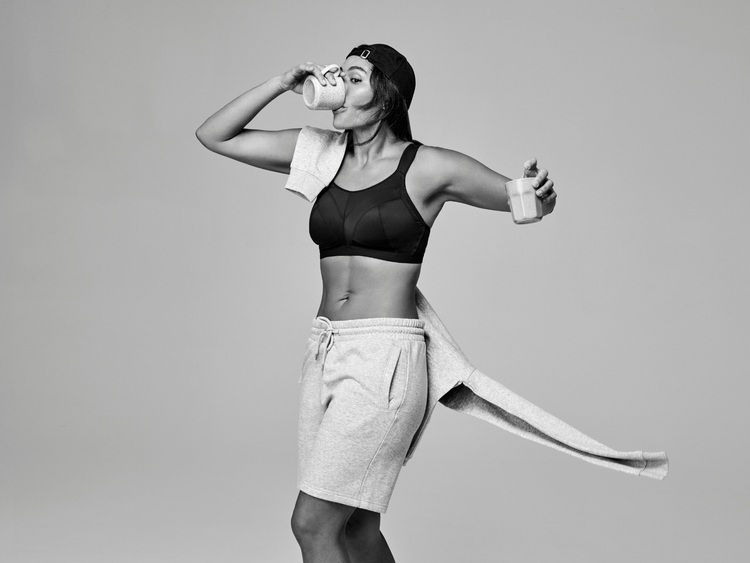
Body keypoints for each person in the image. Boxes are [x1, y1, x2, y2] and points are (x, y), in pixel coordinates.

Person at [196, 43, 556, 563]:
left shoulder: (428, 166)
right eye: (339, 75)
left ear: (385, 99)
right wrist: (280, 83)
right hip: (325, 351)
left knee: (312, 524)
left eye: (354, 78)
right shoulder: (319, 151)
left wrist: (539, 194)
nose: (338, 86)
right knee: (356, 527)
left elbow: (519, 199)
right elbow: (215, 135)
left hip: (384, 358)